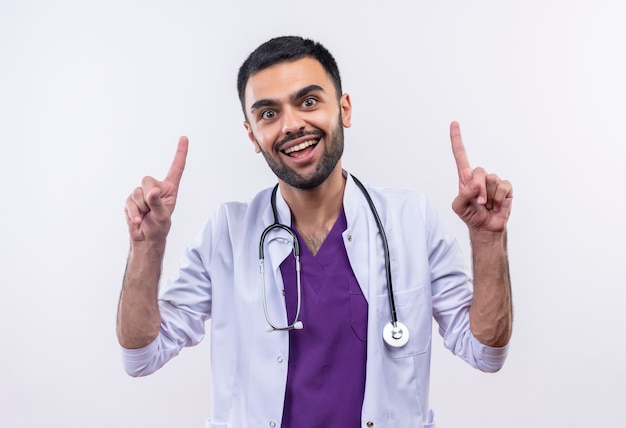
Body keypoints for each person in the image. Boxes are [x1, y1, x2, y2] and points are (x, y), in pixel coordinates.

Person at [117, 36, 513, 428]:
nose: (291, 125)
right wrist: (147, 247)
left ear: (344, 109)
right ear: (252, 135)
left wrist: (488, 240)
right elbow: (142, 356)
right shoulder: (228, 233)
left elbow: (484, 351)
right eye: (268, 114)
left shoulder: (410, 220)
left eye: (308, 101)